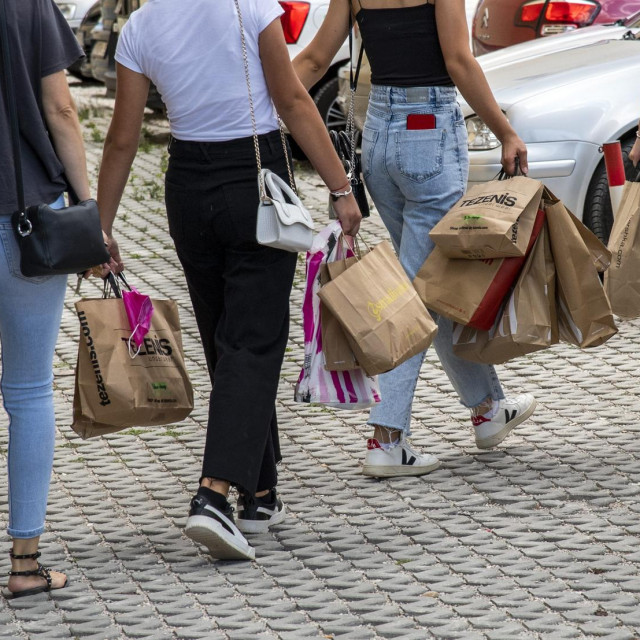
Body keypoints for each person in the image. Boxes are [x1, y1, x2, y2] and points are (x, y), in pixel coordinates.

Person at [96, 0, 361, 561]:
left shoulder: (141, 26)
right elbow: (290, 97)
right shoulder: (249, 4)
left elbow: (121, 138)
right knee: (253, 340)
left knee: (227, 338)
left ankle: (259, 493)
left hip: (187, 187)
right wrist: (340, 189)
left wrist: (102, 226)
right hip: (254, 180)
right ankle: (214, 495)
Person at [294, 0, 536, 478]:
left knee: (428, 280)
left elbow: (315, 60)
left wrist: (260, 108)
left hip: (378, 137)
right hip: (428, 133)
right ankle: (387, 437)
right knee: (416, 294)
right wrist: (505, 130)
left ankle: (488, 408)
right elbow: (458, 61)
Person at [0, 0, 94, 597]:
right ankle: (25, 566)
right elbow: (61, 108)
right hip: (27, 218)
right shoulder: (28, 3)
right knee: (30, 391)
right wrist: (90, 214)